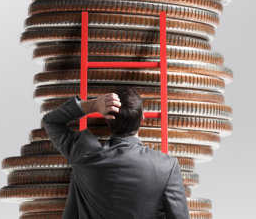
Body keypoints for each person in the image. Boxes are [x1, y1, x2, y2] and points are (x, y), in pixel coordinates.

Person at [41, 86, 190, 219]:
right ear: (142, 120)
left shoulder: (84, 154)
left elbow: (51, 121)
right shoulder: (166, 167)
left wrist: (94, 104)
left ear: (107, 120)